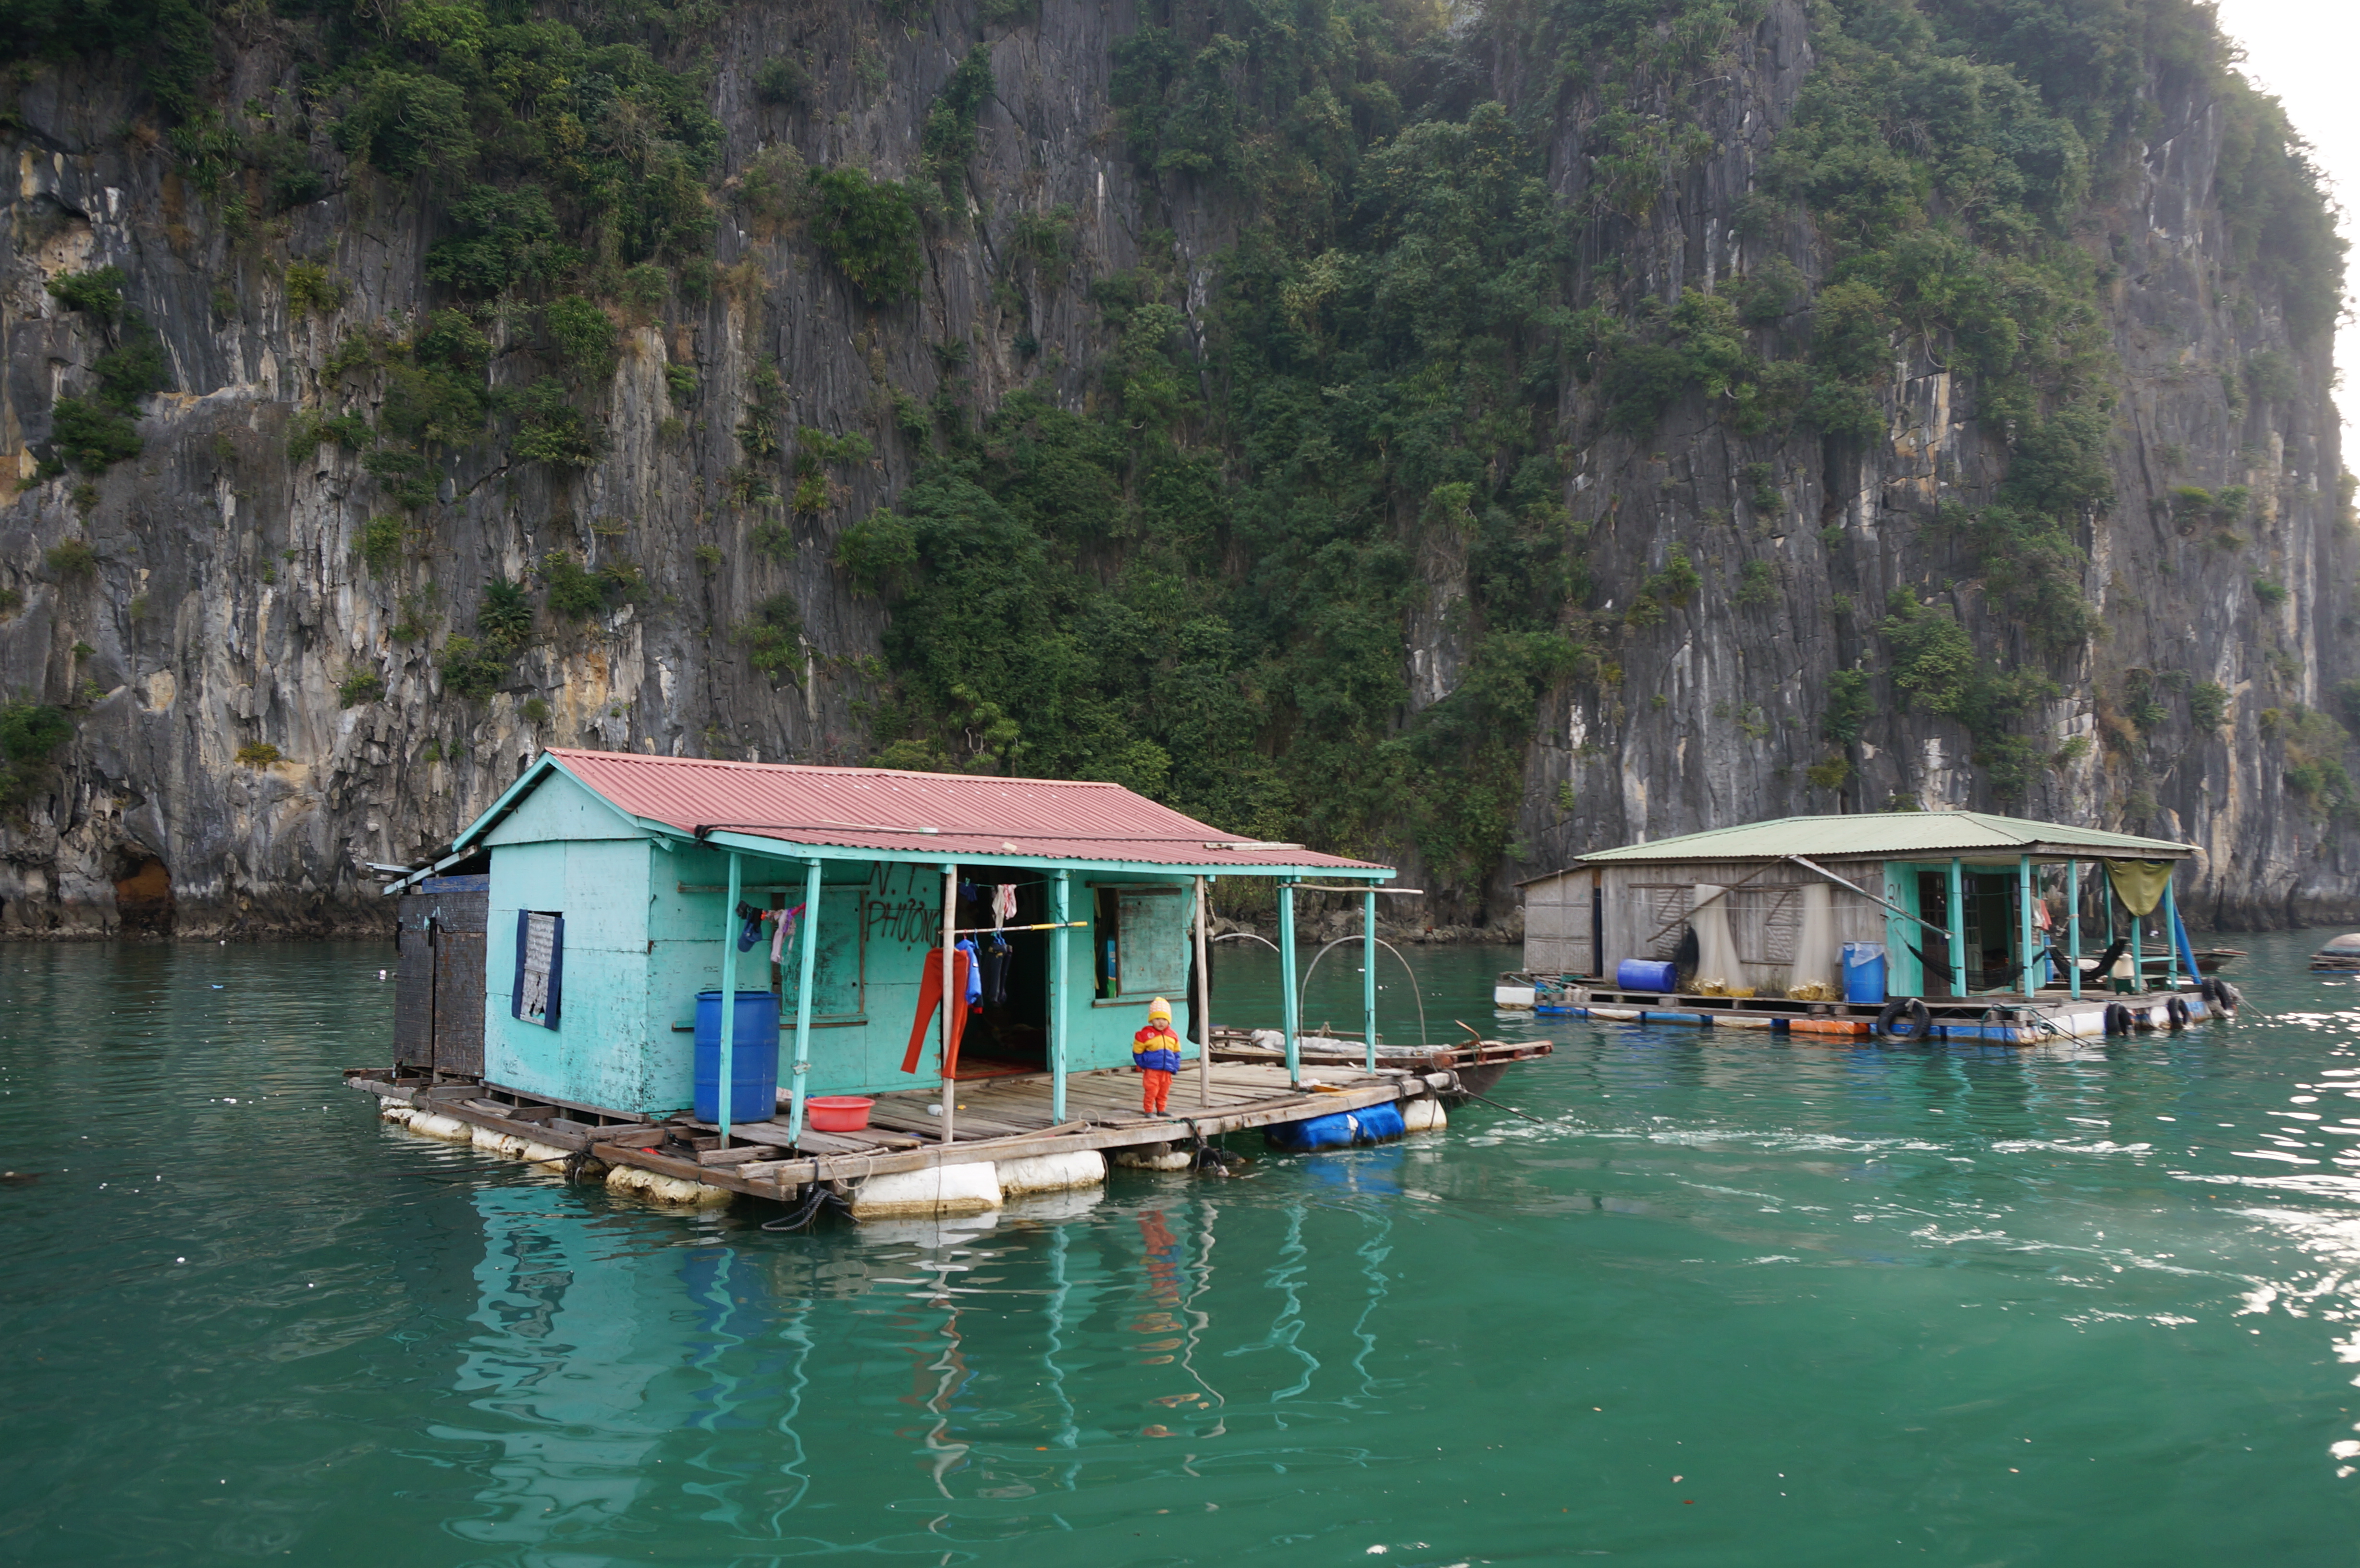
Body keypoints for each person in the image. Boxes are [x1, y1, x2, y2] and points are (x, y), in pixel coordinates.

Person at [1132, 997, 1182, 1115]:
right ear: (1151, 1020)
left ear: (1169, 1021)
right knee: (1151, 1090)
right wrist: (1143, 1064)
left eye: (1164, 1019)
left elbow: (1177, 1053)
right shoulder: (1144, 1035)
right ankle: (1149, 1110)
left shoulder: (1173, 1035)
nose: (1161, 1022)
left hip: (1167, 1070)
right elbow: (1137, 1052)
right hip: (1152, 1070)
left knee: (1164, 1092)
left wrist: (1175, 1066)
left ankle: (1161, 1110)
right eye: (1157, 1019)